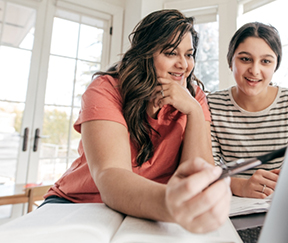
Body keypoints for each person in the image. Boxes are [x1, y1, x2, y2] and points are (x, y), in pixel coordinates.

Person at [42, 9, 231, 233]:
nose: (183, 65)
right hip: (79, 204)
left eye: (189, 54)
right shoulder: (106, 89)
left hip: (146, 209)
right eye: (171, 53)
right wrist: (171, 203)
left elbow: (198, 178)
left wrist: (195, 111)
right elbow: (111, 176)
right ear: (146, 53)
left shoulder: (194, 97)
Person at [207, 22, 288, 199]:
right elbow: (207, 172)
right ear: (231, 61)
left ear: (275, 66)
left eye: (265, 61)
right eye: (245, 59)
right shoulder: (212, 105)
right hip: (232, 204)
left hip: (282, 201)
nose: (255, 70)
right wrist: (240, 185)